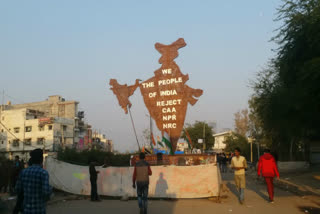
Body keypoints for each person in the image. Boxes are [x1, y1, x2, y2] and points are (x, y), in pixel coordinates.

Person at [16, 149, 52, 214]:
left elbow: (18, 189)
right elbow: (46, 193)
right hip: (39, 210)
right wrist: (50, 189)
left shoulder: (23, 172)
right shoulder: (43, 173)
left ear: (32, 159)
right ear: (41, 159)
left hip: (26, 210)